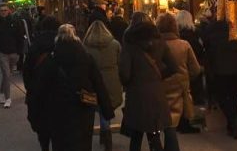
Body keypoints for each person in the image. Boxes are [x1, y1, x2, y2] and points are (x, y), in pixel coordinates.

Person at [30, 24, 114, 151]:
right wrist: (107, 110)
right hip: (83, 109)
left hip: (58, 111)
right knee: (83, 143)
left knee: (60, 144)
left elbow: (39, 90)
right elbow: (99, 84)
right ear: (76, 37)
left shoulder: (50, 60)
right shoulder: (86, 58)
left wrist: (35, 117)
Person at [120, 12, 179, 151]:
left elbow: (125, 74)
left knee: (136, 136)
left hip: (137, 95)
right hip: (156, 93)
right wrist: (157, 76)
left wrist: (129, 83)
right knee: (154, 133)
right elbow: (173, 66)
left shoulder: (129, 43)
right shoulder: (159, 41)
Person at [157, 13, 202, 137]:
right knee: (182, 103)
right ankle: (184, 124)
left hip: (161, 82)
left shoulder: (155, 46)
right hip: (181, 83)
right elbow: (195, 68)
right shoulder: (184, 45)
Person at [84, 20, 123, 151]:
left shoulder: (86, 46)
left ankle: (104, 134)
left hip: (94, 82)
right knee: (107, 107)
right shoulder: (115, 44)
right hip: (112, 80)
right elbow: (120, 62)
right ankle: (106, 137)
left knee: (99, 107)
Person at [24, 16, 60, 151]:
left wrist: (30, 87)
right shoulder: (62, 42)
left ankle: (44, 146)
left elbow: (27, 69)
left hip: (38, 90)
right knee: (58, 123)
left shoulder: (36, 44)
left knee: (42, 122)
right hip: (58, 89)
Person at [204, 17, 237, 139]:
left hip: (219, 68)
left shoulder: (210, 29)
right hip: (235, 67)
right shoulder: (232, 27)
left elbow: (206, 46)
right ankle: (233, 123)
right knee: (234, 95)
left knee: (221, 96)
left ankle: (233, 119)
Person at [0, 3, 24, 108]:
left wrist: (19, 52)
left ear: (9, 11)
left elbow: (20, 37)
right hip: (2, 53)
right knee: (7, 74)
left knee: (7, 75)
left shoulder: (15, 22)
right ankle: (8, 98)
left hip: (14, 53)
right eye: (1, 10)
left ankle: (1, 92)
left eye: (5, 10)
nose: (3, 12)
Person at [176, 10, 205, 106]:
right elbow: (201, 48)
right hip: (196, 65)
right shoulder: (197, 33)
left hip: (182, 66)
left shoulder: (177, 35)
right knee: (197, 89)